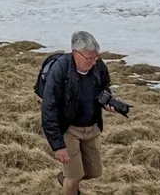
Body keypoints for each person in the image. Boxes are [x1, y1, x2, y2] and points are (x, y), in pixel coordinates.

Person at [41, 31, 117, 194]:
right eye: (89, 58)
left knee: (94, 172)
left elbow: (105, 86)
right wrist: (58, 146)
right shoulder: (60, 69)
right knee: (74, 177)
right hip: (69, 129)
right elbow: (49, 108)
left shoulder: (98, 65)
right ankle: (69, 182)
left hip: (92, 128)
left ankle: (64, 178)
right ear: (75, 53)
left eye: (95, 58)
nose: (93, 62)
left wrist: (107, 101)